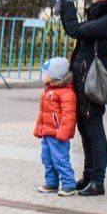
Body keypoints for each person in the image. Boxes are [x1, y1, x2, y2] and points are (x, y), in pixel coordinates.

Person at [56, 0, 107, 197]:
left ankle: (98, 180)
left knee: (94, 128)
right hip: (83, 76)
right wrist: (64, 9)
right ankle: (88, 176)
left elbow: (75, 30)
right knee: (85, 128)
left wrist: (68, 5)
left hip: (91, 79)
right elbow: (78, 30)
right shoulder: (102, 16)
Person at [34, 56, 78, 196]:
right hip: (47, 132)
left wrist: (64, 132)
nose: (43, 76)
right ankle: (51, 182)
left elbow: (68, 115)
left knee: (60, 159)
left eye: (46, 73)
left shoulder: (66, 93)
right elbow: (43, 113)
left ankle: (69, 184)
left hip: (58, 134)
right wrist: (39, 128)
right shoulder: (48, 90)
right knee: (47, 158)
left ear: (55, 76)